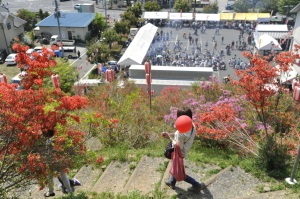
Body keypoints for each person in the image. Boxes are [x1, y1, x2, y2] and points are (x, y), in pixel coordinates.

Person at [161, 107, 203, 192]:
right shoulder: (192, 125)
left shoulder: (180, 133)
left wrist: (168, 137)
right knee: (175, 165)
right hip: (186, 149)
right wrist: (172, 134)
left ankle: (196, 184)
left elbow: (177, 146)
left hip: (180, 152)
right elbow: (183, 137)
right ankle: (172, 182)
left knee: (179, 172)